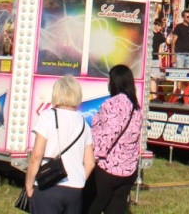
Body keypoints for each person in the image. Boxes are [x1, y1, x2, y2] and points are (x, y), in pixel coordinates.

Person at [24, 75, 94, 214]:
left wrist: (29, 185)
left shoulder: (47, 116)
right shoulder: (83, 123)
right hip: (75, 189)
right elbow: (90, 163)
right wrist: (79, 180)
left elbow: (36, 156)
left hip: (48, 186)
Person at [87, 65, 143, 214]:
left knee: (91, 207)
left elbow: (105, 137)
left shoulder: (111, 105)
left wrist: (91, 159)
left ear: (114, 82)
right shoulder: (136, 108)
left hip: (108, 169)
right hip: (128, 170)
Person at [168, 11, 189, 103]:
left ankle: (181, 93)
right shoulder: (179, 27)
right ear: (183, 17)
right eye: (187, 17)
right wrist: (173, 56)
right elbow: (173, 42)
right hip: (180, 54)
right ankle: (179, 97)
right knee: (180, 75)